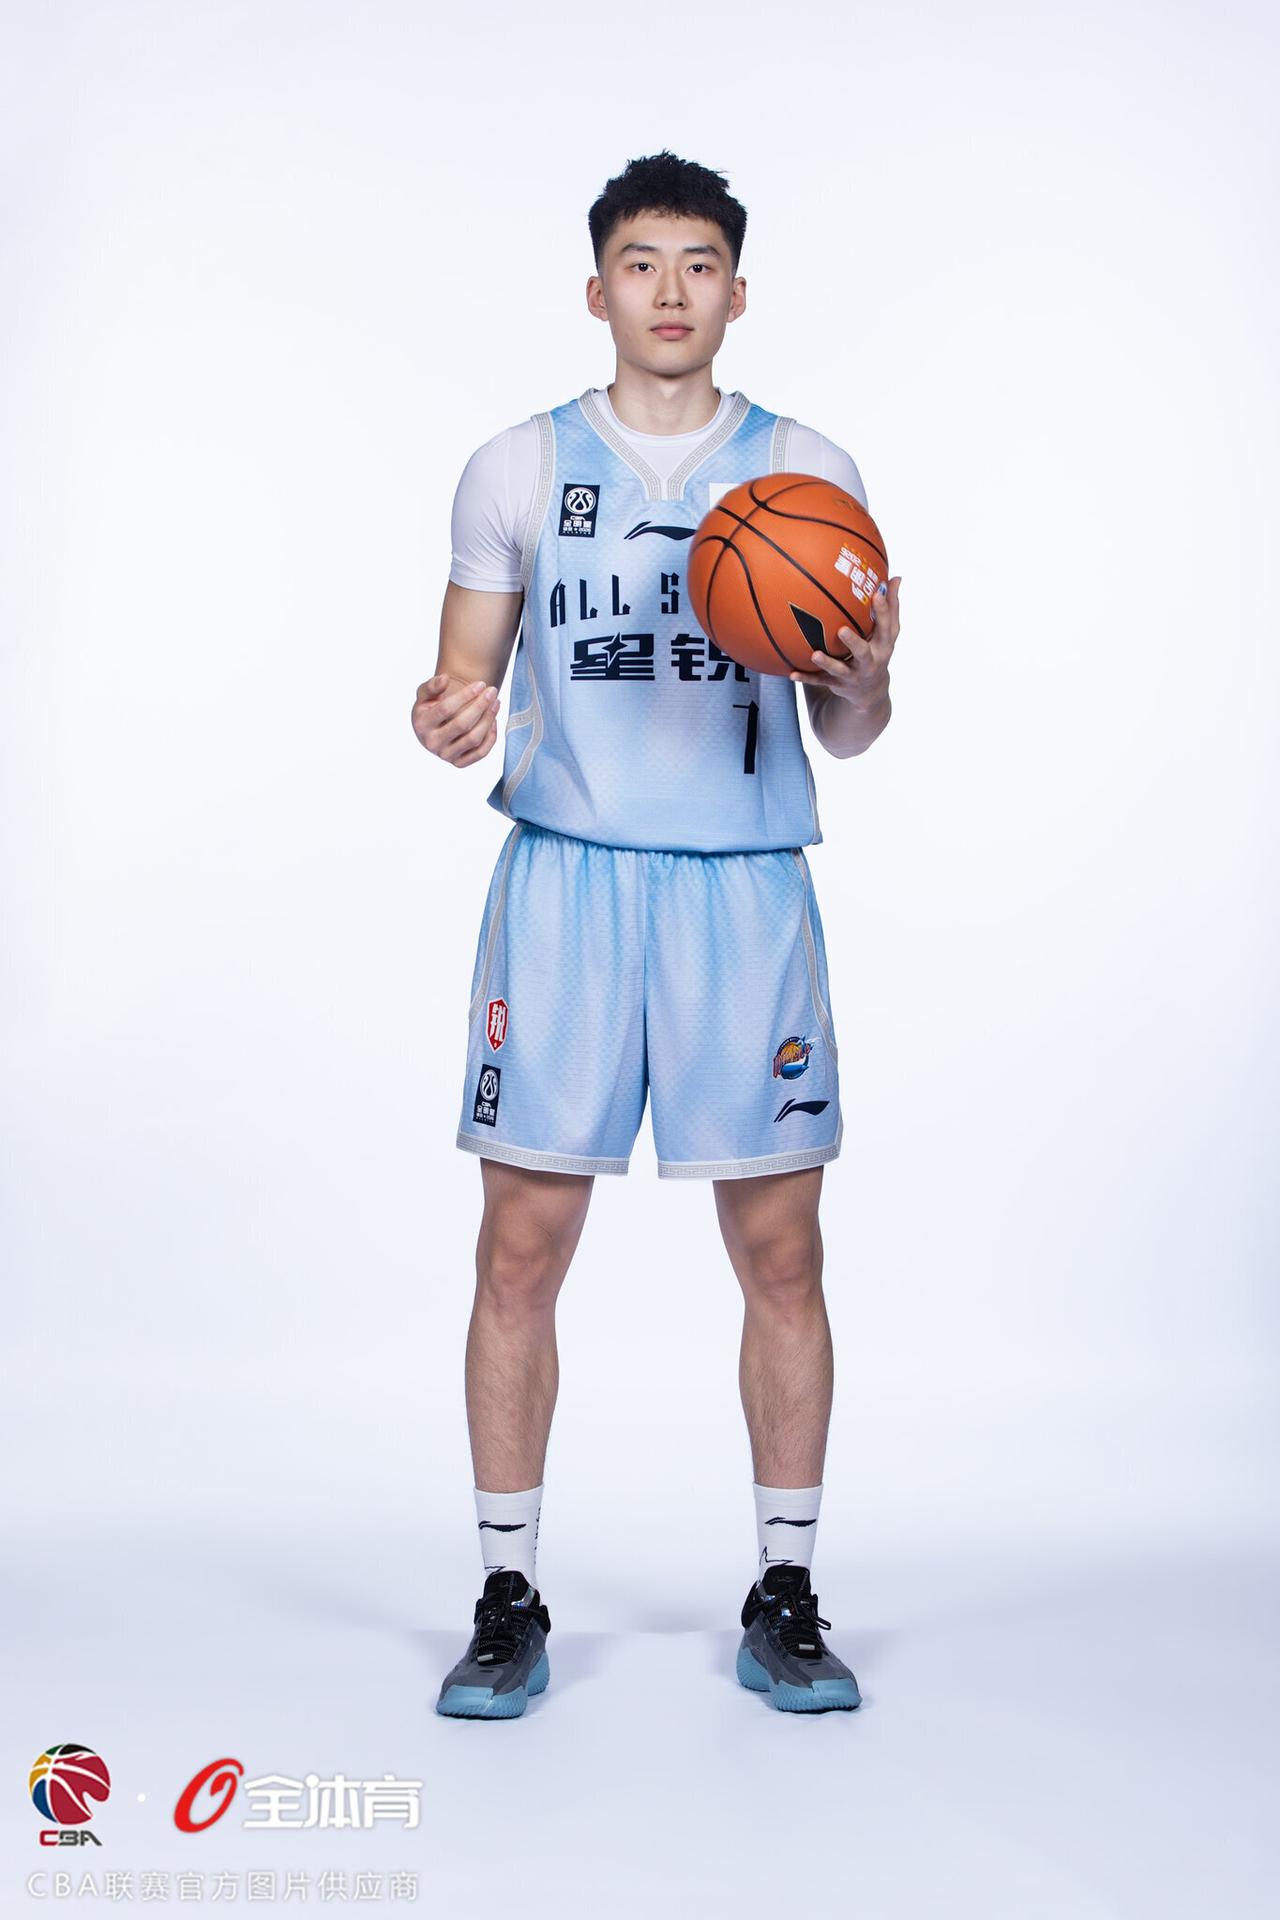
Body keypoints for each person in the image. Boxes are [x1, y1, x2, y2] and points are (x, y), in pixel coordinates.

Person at [411, 150, 900, 1719]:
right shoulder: (516, 466)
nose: (670, 291)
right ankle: (506, 1596)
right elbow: (457, 687)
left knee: (781, 1248)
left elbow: (854, 726)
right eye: (641, 263)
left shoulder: (808, 472)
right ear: (597, 289)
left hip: (742, 890)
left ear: (737, 292)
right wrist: (445, 716)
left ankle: (787, 1591)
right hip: (564, 884)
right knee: (520, 1247)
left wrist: (866, 678)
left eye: (698, 265)